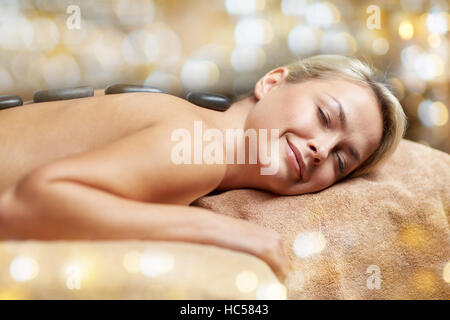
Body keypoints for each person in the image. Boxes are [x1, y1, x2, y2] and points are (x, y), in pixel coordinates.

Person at [0, 54, 407, 282]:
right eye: (324, 115)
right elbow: (25, 207)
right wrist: (225, 231)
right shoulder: (202, 147)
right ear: (271, 82)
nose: (322, 148)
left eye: (341, 160)